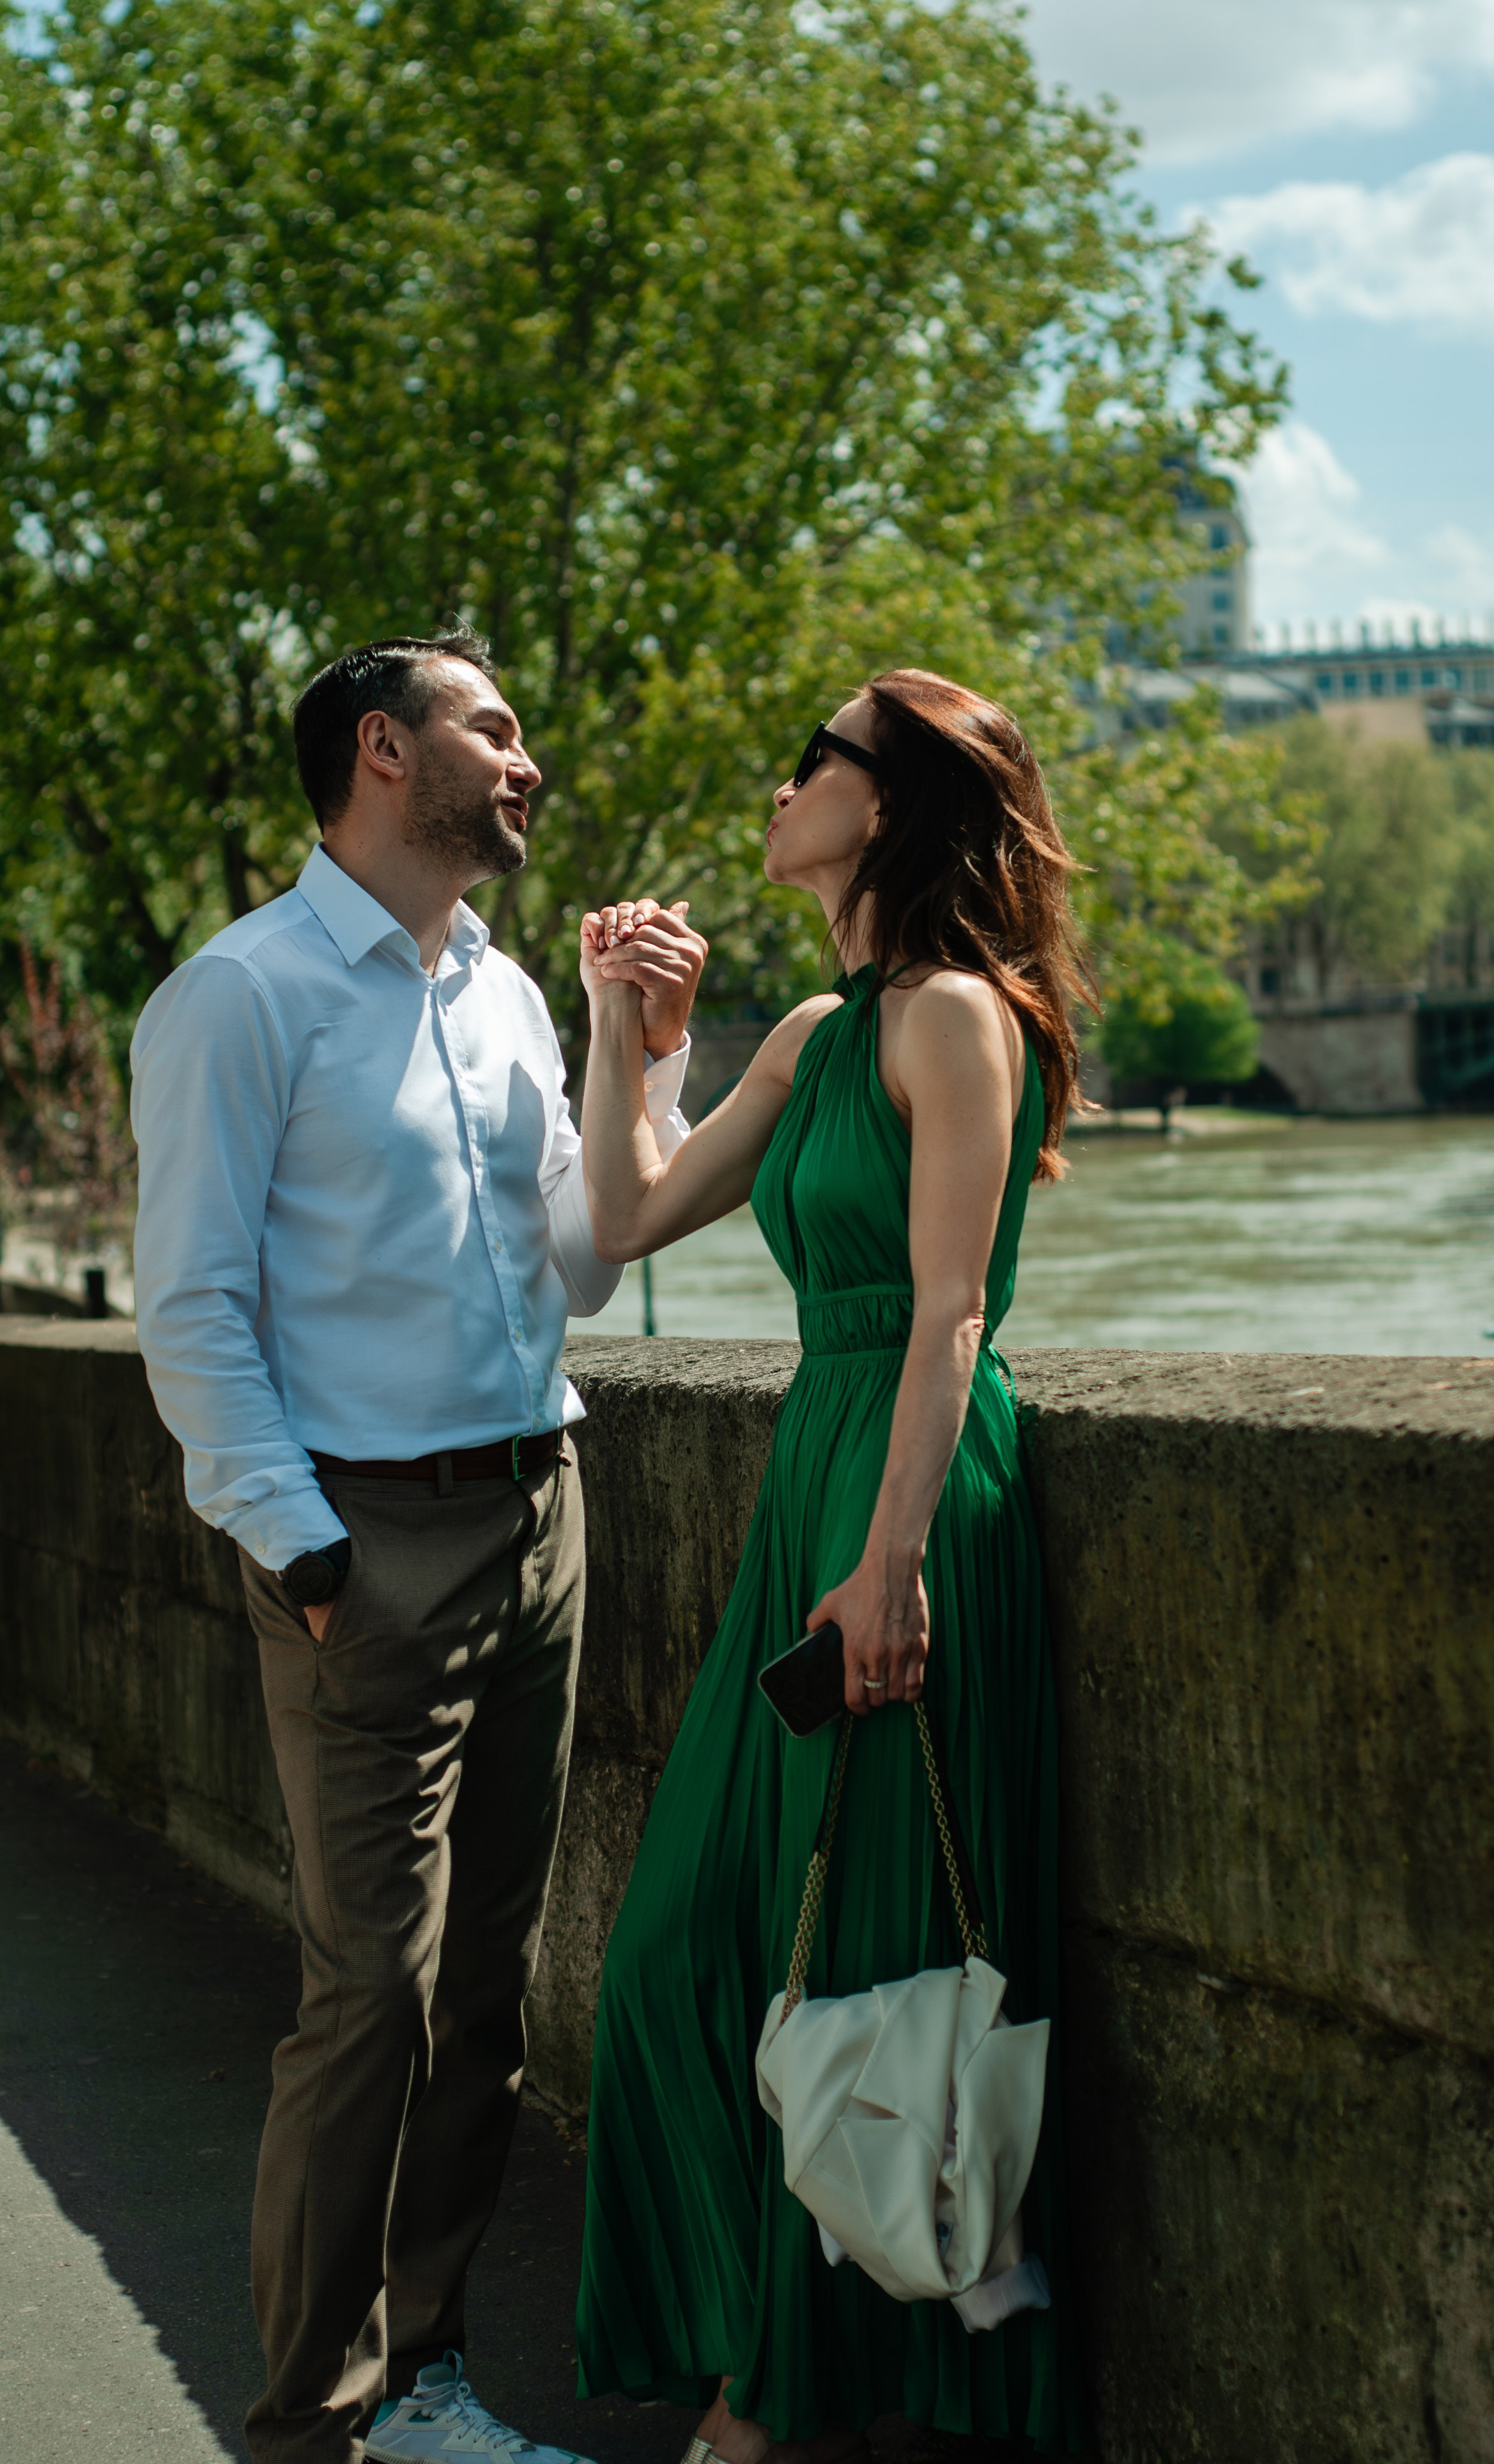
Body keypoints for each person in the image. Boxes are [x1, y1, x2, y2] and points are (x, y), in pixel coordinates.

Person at [129, 629, 707, 2464]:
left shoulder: (512, 990)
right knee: (367, 1992)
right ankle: (313, 2425)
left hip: (541, 1503)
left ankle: (434, 2379)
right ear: (386, 752)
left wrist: (639, 1054)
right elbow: (194, 1310)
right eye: (495, 728)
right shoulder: (243, 994)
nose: (526, 761)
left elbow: (588, 1260)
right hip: (359, 1540)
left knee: (490, 1984)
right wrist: (303, 1549)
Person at [572, 669, 1087, 2460]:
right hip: (817, 1468)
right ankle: (770, 2370)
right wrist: (626, 1028)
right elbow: (625, 1219)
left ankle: (767, 2410)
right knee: (674, 1956)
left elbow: (952, 1311)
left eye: (817, 757)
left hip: (912, 1494)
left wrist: (892, 1561)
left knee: (866, 1960)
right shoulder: (809, 1027)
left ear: (892, 805)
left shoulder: (954, 1014)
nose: (782, 782)